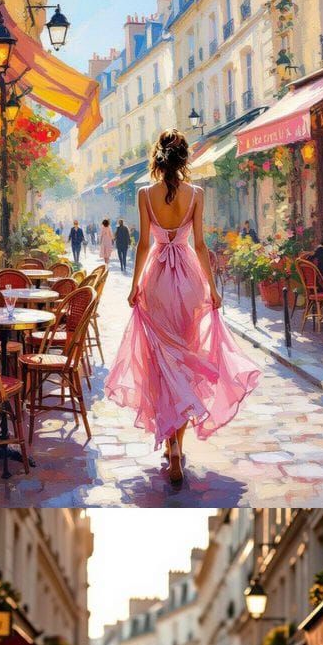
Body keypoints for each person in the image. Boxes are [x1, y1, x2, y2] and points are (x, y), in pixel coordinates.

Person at [108, 129, 260, 486]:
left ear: (158, 159)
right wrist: (212, 288)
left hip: (158, 279)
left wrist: (134, 287)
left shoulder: (145, 194)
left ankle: (170, 446)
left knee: (162, 362)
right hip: (190, 281)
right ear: (185, 158)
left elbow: (144, 245)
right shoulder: (197, 193)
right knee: (186, 359)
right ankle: (178, 443)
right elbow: (202, 245)